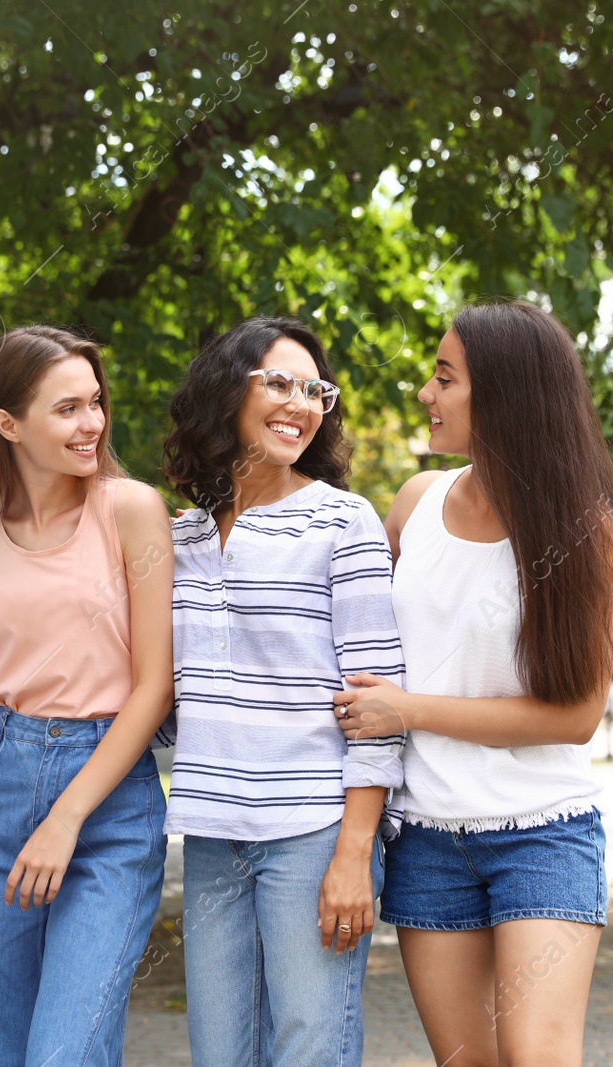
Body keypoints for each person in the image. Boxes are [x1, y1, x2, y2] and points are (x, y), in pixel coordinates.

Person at [332, 301, 613, 1067]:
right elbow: (332, 609)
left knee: (538, 1056)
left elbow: (574, 715)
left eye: (444, 377)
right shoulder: (415, 506)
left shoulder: (582, 527)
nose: (424, 392)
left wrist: (407, 710)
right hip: (428, 840)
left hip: (542, 831)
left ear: (505, 395)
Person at [160, 317, 405, 1067]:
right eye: (279, 382)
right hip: (211, 830)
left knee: (308, 1046)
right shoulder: (182, 537)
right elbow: (173, 697)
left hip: (313, 829)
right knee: (220, 1053)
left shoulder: (344, 520)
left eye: (315, 389)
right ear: (226, 390)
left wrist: (354, 851)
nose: (301, 403)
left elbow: (377, 698)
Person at [0, 325, 174, 1067]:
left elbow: (153, 685)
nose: (93, 423)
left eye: (95, 403)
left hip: (109, 801)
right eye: (68, 408)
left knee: (66, 1047)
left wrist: (66, 816)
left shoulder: (131, 510)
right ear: (8, 424)